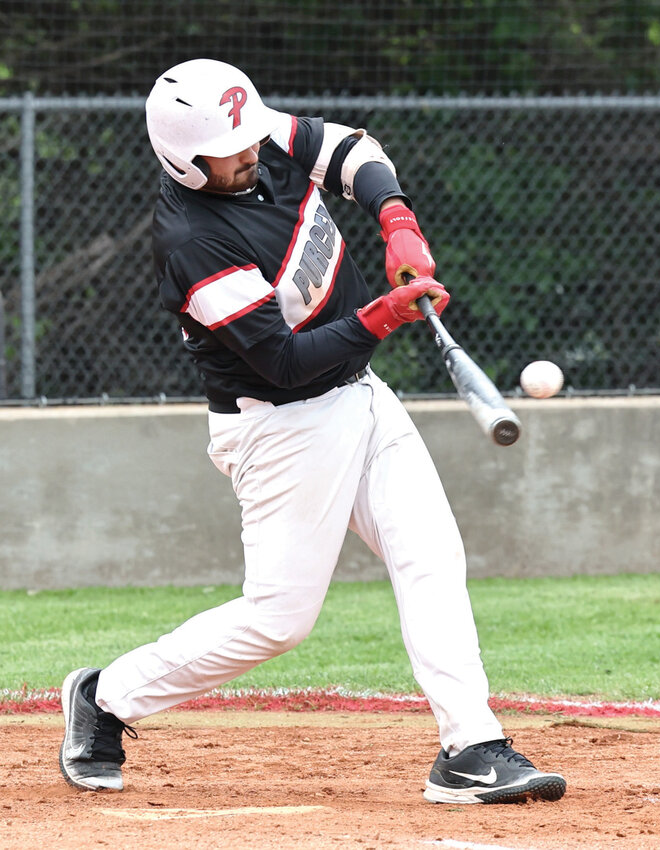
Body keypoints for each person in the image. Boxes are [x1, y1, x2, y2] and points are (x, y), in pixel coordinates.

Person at [59, 58, 566, 805]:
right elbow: (286, 362)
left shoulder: (253, 134)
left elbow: (352, 150)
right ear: (182, 162)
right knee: (278, 621)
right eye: (226, 152)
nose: (248, 154)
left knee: (430, 553)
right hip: (280, 428)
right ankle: (106, 697)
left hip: (359, 395)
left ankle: (471, 746)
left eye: (248, 137)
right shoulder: (193, 240)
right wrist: (380, 318)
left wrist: (397, 218)